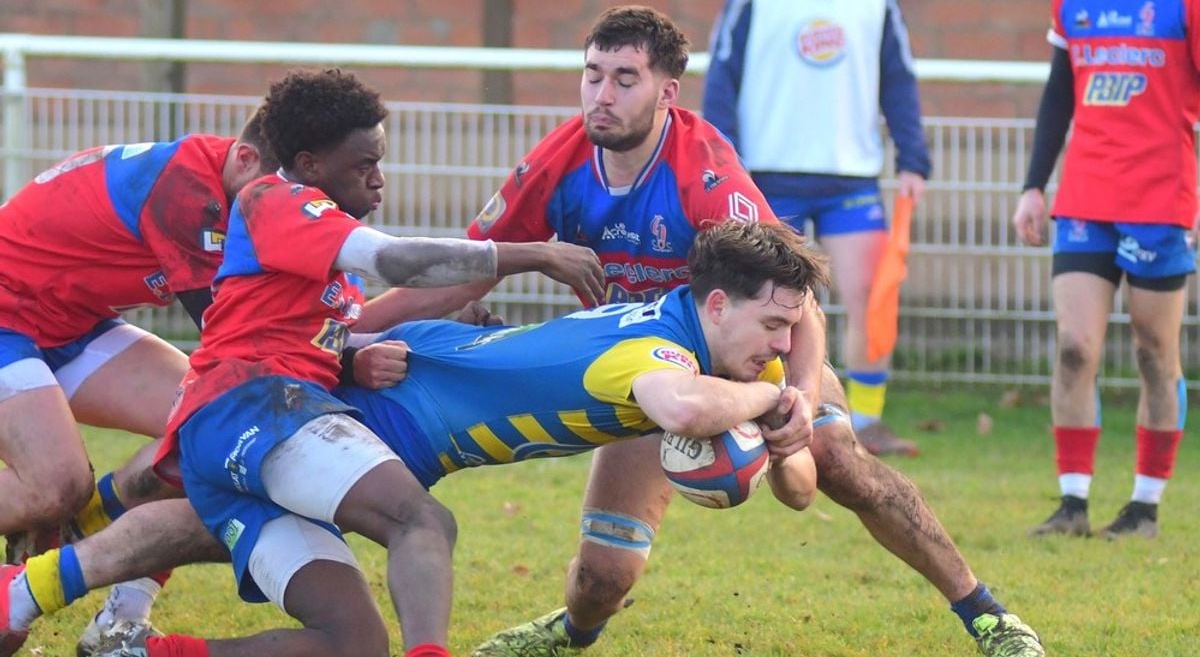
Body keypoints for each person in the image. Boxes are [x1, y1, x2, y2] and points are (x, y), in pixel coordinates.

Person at [361, 6, 1042, 656]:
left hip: (741, 357)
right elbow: (465, 276)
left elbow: (795, 296)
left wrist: (802, 397)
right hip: (642, 368)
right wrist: (346, 329)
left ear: (667, 92)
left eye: (625, 79)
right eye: (593, 74)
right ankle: (572, 631)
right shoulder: (558, 163)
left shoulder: (704, 172)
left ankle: (986, 612)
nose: (602, 95)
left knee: (836, 461)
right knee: (603, 578)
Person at [0, 219, 827, 657]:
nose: (785, 345)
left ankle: (55, 598)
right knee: (389, 522)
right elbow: (680, 410)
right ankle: (65, 542)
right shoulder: (658, 355)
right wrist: (770, 395)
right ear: (716, 305)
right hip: (366, 403)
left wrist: (785, 428)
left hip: (385, 408)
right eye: (774, 325)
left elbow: (796, 492)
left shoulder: (700, 348)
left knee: (250, 550)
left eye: (791, 329)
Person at [9, 66, 599, 657]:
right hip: (243, 405)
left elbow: (329, 324)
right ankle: (78, 536)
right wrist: (534, 254)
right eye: (364, 164)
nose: (380, 179)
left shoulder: (316, 238)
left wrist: (395, 340)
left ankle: (112, 631)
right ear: (307, 164)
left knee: (354, 641)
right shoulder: (267, 200)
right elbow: (390, 264)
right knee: (417, 519)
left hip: (162, 373)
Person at [0, 112, 281, 649]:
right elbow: (234, 335)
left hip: (69, 322)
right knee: (56, 486)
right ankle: (68, 519)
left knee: (209, 430)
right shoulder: (186, 193)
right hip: (7, 313)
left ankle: (120, 619)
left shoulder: (233, 180)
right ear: (247, 160)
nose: (293, 204)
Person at [702, 0, 931, 458]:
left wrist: (914, 157)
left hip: (849, 175)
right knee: (769, 302)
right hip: (766, 174)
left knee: (869, 298)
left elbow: (898, 78)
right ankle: (759, 410)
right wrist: (721, 157)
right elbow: (721, 75)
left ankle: (866, 421)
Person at [1012, 0, 1195, 540]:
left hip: (1160, 197)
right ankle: (1072, 503)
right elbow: (1058, 93)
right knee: (1074, 347)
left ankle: (1145, 505)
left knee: (1154, 353)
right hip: (1085, 193)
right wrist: (1034, 184)